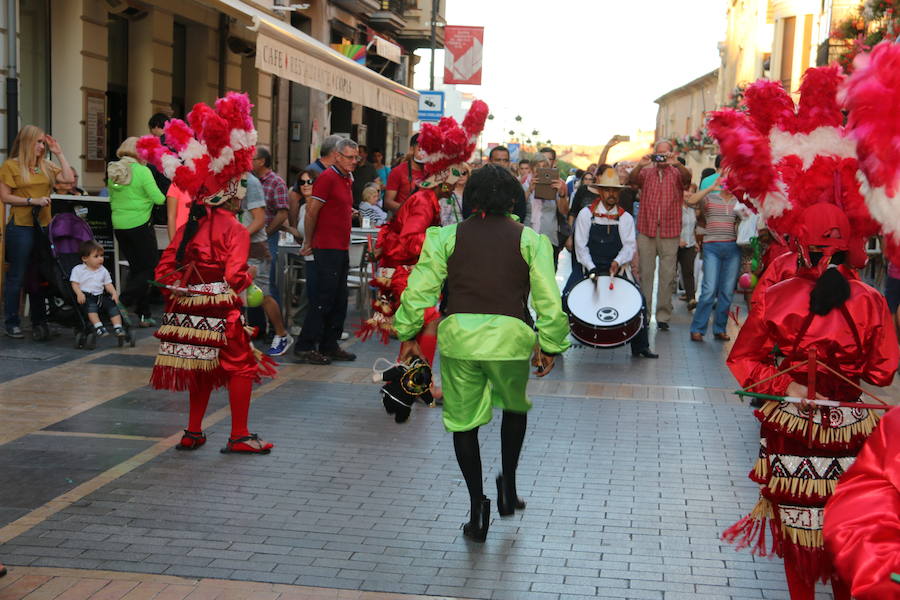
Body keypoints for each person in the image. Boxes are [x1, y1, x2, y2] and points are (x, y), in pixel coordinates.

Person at [725, 203, 898, 600]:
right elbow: (882, 372)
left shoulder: (777, 295)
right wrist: (848, 374)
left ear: (800, 245)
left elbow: (744, 360)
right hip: (852, 429)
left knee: (797, 534)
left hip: (790, 430)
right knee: (848, 525)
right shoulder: (871, 300)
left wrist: (789, 387)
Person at [393, 163, 570, 542]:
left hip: (459, 339)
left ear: (472, 198)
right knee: (513, 407)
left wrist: (407, 332)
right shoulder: (530, 240)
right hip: (510, 340)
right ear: (513, 200)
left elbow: (418, 291)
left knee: (463, 423)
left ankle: (477, 507)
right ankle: (509, 483)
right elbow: (548, 301)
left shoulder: (445, 237)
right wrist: (551, 344)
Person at [138, 92, 276, 455]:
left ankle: (193, 431)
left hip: (188, 312)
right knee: (241, 368)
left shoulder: (189, 227)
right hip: (222, 313)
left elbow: (165, 269)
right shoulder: (235, 229)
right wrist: (247, 278)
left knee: (199, 367)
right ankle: (240, 435)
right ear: (232, 192)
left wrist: (185, 293)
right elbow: (234, 277)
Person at [572, 168, 657, 358]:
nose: (612, 194)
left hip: (616, 267)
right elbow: (580, 246)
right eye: (608, 190)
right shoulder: (586, 214)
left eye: (615, 190)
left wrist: (618, 262)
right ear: (600, 192)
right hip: (589, 265)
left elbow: (629, 247)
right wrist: (592, 267)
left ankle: (641, 346)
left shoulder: (625, 217)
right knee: (566, 298)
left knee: (640, 302)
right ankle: (557, 343)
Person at [0, 126, 74, 339]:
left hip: (43, 226)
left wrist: (59, 153)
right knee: (18, 274)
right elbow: (5, 197)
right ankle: (12, 321)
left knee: (41, 273)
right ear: (26, 142)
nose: (42, 146)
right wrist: (31, 201)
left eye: (43, 142)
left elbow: (68, 181)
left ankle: (39, 320)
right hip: (21, 226)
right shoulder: (11, 166)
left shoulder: (46, 165)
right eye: (38, 142)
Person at [823, 406, 900, 600]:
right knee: (798, 534)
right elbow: (859, 515)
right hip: (800, 426)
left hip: (849, 427)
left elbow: (880, 375)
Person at [293, 138, 359, 365]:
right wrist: (308, 242)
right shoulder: (328, 178)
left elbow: (335, 207)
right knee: (323, 298)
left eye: (355, 157)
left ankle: (329, 344)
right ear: (338, 156)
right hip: (327, 247)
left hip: (340, 246)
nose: (354, 161)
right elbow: (312, 212)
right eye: (350, 157)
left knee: (339, 298)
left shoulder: (346, 178)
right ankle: (305, 345)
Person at [628, 140, 692, 330]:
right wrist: (640, 164)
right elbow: (631, 182)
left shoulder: (678, 173)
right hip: (647, 230)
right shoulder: (646, 172)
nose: (662, 157)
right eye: (660, 154)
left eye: (666, 154)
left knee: (668, 275)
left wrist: (678, 163)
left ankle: (663, 316)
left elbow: (688, 180)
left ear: (671, 154)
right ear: (654, 154)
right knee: (645, 273)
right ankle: (644, 314)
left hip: (670, 231)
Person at [107, 136, 165, 327]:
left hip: (119, 226)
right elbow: (158, 199)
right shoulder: (143, 171)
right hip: (140, 225)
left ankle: (144, 313)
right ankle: (122, 302)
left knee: (137, 270)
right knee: (149, 269)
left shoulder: (114, 169)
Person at [686, 177, 740, 341]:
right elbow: (690, 201)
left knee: (727, 292)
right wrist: (711, 188)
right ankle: (697, 328)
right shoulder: (710, 198)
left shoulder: (739, 202)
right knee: (709, 290)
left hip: (733, 248)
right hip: (712, 247)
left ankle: (719, 328)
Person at [251, 147, 293, 355]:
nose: (250, 161)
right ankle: (258, 327)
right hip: (252, 240)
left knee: (269, 285)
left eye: (253, 158)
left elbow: (282, 212)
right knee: (253, 287)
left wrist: (266, 232)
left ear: (262, 161)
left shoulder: (275, 182)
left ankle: (276, 330)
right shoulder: (249, 180)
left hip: (267, 238)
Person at [70, 240, 125, 338]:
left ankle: (118, 327)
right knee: (91, 308)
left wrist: (114, 293)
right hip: (86, 295)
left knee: (113, 307)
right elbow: (74, 283)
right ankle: (99, 327)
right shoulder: (78, 270)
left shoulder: (103, 270)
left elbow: (108, 284)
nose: (100, 259)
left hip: (100, 295)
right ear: (85, 258)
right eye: (96, 256)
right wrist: (79, 293)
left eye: (101, 256)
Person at [384, 134, 425, 212]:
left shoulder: (431, 172)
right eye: (420, 148)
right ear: (412, 149)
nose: (424, 153)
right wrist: (409, 210)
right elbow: (388, 202)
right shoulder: (398, 171)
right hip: (404, 221)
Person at [678, 184, 699, 310]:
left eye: (691, 192)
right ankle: (666, 302)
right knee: (670, 275)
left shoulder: (692, 210)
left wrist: (695, 241)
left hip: (690, 244)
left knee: (689, 272)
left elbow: (692, 228)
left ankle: (691, 299)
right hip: (674, 244)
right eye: (686, 191)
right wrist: (677, 240)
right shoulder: (675, 208)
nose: (689, 194)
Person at [147, 113, 172, 194]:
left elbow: (152, 168)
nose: (151, 132)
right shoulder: (177, 141)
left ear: (157, 126)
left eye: (151, 129)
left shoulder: (157, 144)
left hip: (162, 186)